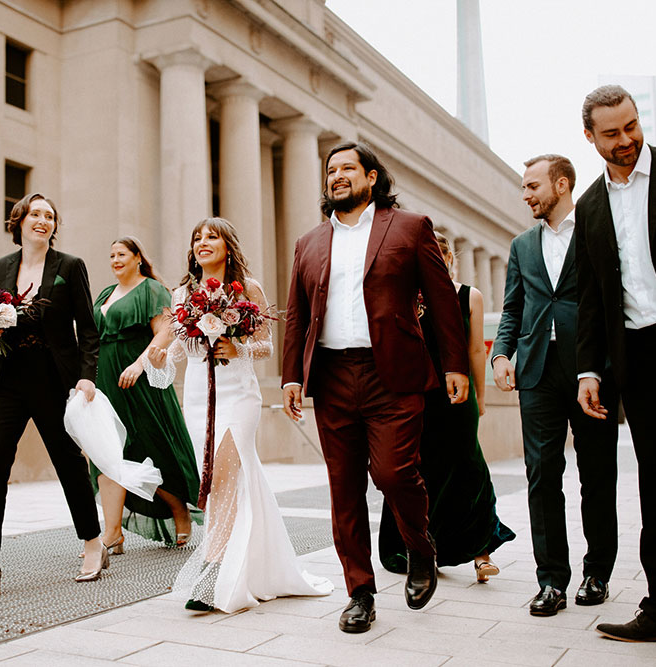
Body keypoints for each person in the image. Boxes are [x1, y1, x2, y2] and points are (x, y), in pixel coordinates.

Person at [282, 141, 469, 634]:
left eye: (347, 168)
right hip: (332, 376)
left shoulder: (408, 227)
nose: (337, 176)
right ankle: (359, 592)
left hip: (395, 374)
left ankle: (420, 548)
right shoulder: (309, 242)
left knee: (393, 473)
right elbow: (297, 316)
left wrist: (455, 364)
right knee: (344, 490)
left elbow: (442, 298)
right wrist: (290, 376)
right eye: (331, 170)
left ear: (370, 177)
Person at [575, 85, 656, 644]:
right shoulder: (589, 206)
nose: (627, 139)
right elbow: (590, 297)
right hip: (643, 358)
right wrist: (588, 370)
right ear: (590, 137)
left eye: (632, 126)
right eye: (612, 133)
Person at [146, 218, 333, 614]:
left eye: (212, 236)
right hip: (198, 397)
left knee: (226, 472)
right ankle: (251, 563)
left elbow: (266, 345)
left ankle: (214, 570)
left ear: (227, 245)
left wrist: (238, 348)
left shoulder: (247, 288)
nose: (203, 243)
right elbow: (180, 349)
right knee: (216, 482)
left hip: (238, 396)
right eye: (197, 237)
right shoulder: (183, 293)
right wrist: (161, 357)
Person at [0, 193, 104, 601]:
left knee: (69, 463)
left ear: (54, 227)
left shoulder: (69, 267)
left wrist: (87, 378)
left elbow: (88, 329)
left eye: (49, 216)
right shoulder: (1, 267)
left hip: (53, 379)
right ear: (18, 221)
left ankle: (93, 543)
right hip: (7, 379)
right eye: (35, 213)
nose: (42, 220)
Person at [492, 154, 620, 617]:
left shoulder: (594, 232)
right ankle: (551, 581)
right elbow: (512, 307)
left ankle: (597, 573)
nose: (525, 195)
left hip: (591, 370)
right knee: (542, 476)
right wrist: (502, 353)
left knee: (597, 476)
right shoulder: (522, 245)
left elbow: (609, 299)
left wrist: (603, 367)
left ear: (561, 184)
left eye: (531, 186)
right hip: (537, 375)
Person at [378, 233, 515, 582]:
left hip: (458, 397)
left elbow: (474, 351)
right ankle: (420, 546)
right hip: (414, 398)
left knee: (469, 470)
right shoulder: (405, 296)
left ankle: (482, 552)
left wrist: (479, 399)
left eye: (438, 254)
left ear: (449, 258)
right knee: (417, 472)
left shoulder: (469, 295)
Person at [88, 236, 201, 550]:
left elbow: (166, 331)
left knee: (150, 446)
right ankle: (113, 531)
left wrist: (139, 364)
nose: (115, 260)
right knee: (109, 451)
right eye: (111, 255)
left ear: (138, 257)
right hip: (105, 381)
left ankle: (179, 511)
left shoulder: (152, 289)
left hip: (138, 381)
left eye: (121, 254)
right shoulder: (106, 294)